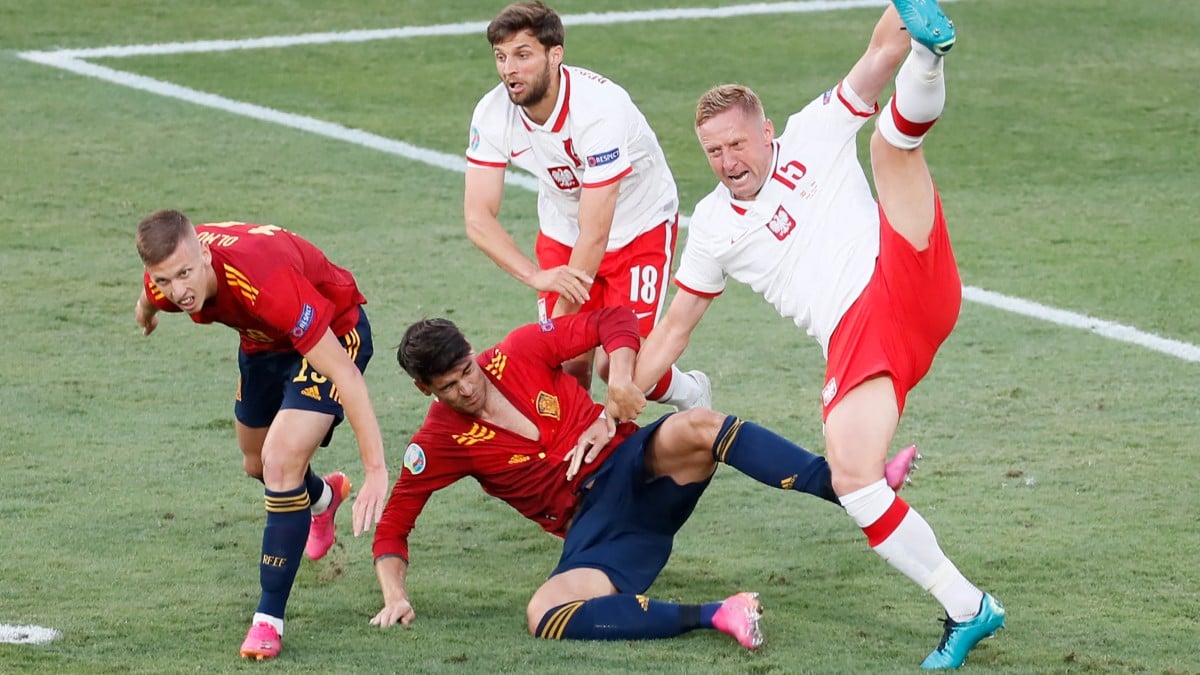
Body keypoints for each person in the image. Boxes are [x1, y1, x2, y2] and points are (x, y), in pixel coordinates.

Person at [615, 1, 1005, 669]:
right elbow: (676, 322)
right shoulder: (710, 226)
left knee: (889, 144)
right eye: (714, 151)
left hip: (902, 270)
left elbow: (881, 51)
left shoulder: (814, 130)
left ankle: (933, 54)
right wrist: (630, 386)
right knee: (854, 478)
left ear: (767, 130)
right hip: (866, 339)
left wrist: (905, 21)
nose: (728, 161)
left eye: (738, 143)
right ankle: (970, 607)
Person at [368, 308, 916, 648]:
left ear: (471, 353)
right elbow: (394, 525)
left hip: (636, 466)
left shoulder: (519, 352)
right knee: (544, 615)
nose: (466, 388)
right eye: (449, 385)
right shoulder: (437, 442)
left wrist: (621, 383)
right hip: (600, 531)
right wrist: (395, 595)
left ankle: (850, 484)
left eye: (467, 370)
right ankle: (719, 615)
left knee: (696, 424)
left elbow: (614, 320)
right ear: (427, 390)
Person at [133, 210, 390, 660]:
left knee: (280, 461)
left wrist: (376, 470)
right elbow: (152, 295)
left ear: (206, 255)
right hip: (262, 341)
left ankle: (268, 620)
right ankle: (324, 498)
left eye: (185, 274)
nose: (180, 290)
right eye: (167, 279)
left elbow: (346, 376)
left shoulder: (267, 283)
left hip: (334, 331)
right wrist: (145, 312)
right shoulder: (168, 280)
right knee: (256, 463)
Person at [464, 1, 708, 409]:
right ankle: (582, 455)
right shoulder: (493, 113)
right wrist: (536, 276)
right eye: (501, 57)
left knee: (616, 366)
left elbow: (596, 231)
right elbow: (477, 217)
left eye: (523, 55)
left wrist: (562, 315)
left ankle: (692, 393)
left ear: (554, 54)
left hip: (637, 226)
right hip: (563, 229)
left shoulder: (599, 110)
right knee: (566, 359)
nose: (509, 69)